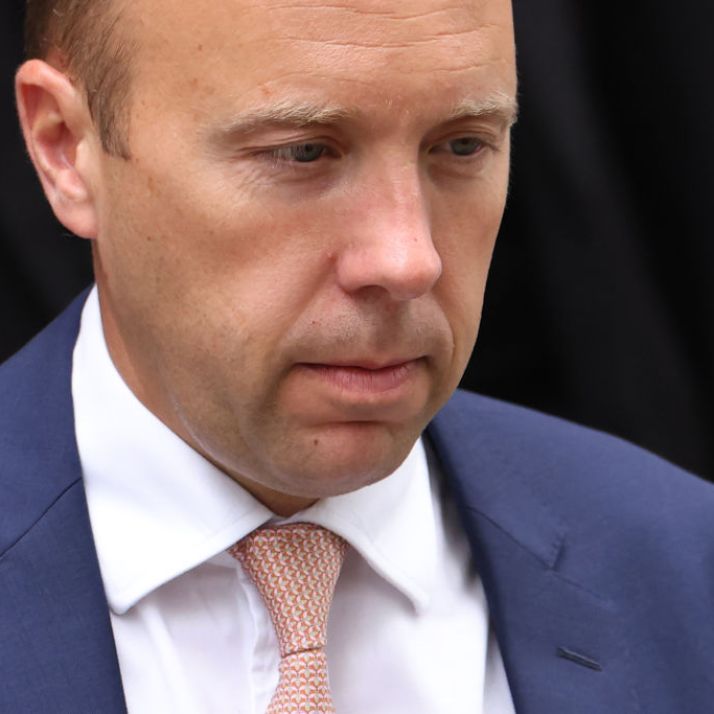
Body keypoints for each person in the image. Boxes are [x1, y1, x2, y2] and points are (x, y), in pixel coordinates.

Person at [1, 0, 713, 712]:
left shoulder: (683, 571)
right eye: (302, 153)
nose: (408, 260)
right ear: (65, 147)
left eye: (462, 146)